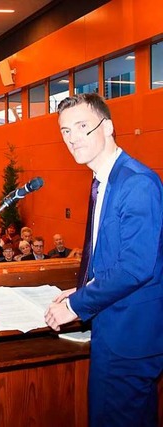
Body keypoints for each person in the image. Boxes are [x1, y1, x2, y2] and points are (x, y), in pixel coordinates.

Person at [45, 93, 163, 427]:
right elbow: (109, 258)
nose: (73, 138)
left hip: (130, 335)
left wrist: (76, 305)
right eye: (65, 130)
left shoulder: (135, 182)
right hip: (114, 329)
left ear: (107, 126)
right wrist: (80, 290)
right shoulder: (104, 180)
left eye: (82, 126)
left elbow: (135, 267)